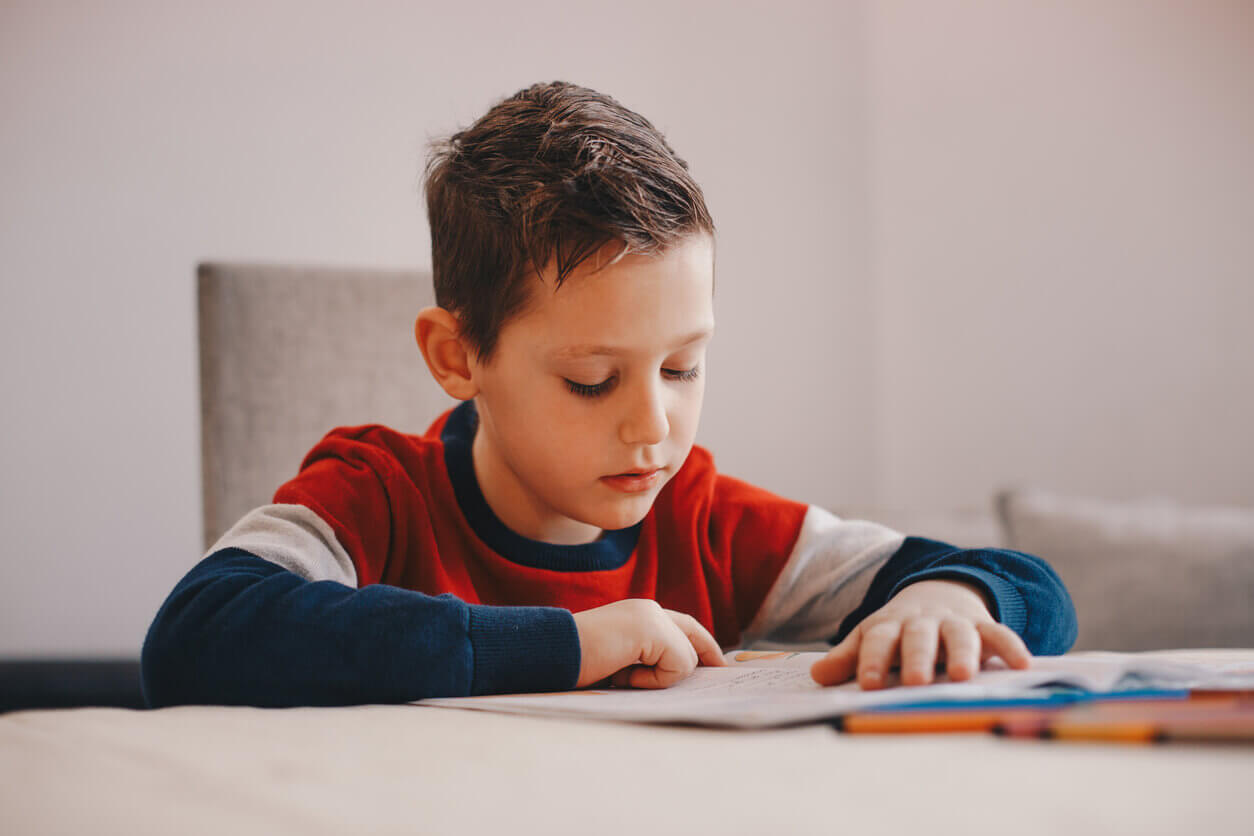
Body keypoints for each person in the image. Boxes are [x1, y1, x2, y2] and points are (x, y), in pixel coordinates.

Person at [141, 81, 1077, 708]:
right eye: (593, 380)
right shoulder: (378, 495)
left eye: (683, 367)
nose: (652, 425)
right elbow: (192, 637)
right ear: (459, 357)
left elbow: (1035, 590)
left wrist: (949, 595)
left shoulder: (703, 518)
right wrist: (566, 644)